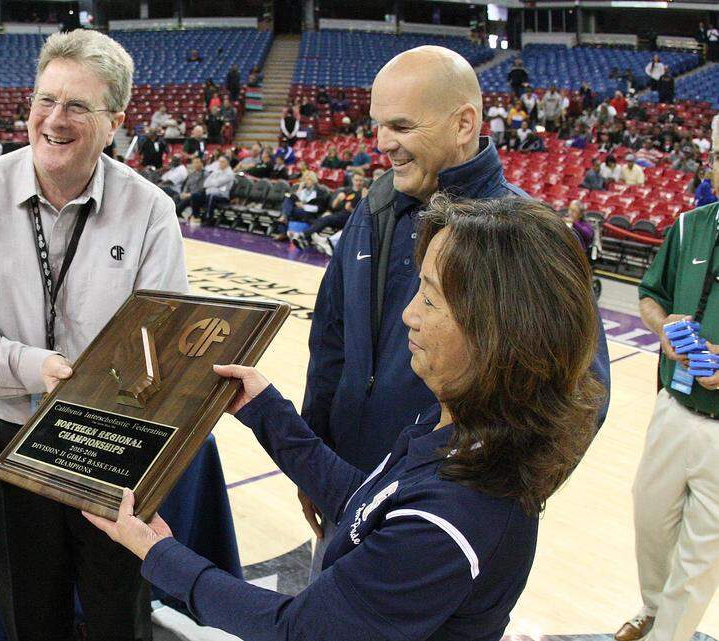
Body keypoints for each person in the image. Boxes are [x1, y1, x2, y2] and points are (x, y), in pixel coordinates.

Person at [87, 195, 604, 641]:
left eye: (430, 297)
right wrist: (264, 410)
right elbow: (367, 507)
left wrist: (160, 555)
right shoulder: (462, 427)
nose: (409, 314)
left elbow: (297, 630)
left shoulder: (453, 522)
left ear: (496, 332)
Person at [292, 45, 612, 577]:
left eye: (399, 125)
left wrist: (490, 509)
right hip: (345, 490)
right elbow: (330, 343)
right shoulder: (372, 210)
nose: (381, 144)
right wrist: (312, 461)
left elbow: (583, 393)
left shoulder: (522, 234)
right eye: (376, 125)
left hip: (435, 525)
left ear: (464, 123)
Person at [0, 30, 187, 641]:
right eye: (46, 100)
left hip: (113, 444)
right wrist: (33, 367)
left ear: (115, 121)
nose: (54, 119)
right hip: (7, 434)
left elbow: (164, 348)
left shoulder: (149, 211)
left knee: (120, 612)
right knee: (28, 616)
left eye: (77, 106)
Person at [617, 126, 719, 641]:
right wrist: (664, 329)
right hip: (675, 404)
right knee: (650, 516)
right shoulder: (688, 228)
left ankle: (669, 636)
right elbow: (649, 295)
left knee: (703, 549)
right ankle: (655, 609)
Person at [196, 155, 233, 224]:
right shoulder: (217, 171)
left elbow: (217, 184)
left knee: (211, 196)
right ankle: (196, 216)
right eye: (220, 162)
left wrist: (212, 183)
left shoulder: (229, 174)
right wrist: (213, 184)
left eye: (223, 162)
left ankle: (209, 218)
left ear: (227, 163)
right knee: (196, 196)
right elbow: (206, 183)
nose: (220, 163)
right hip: (211, 193)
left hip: (223, 196)